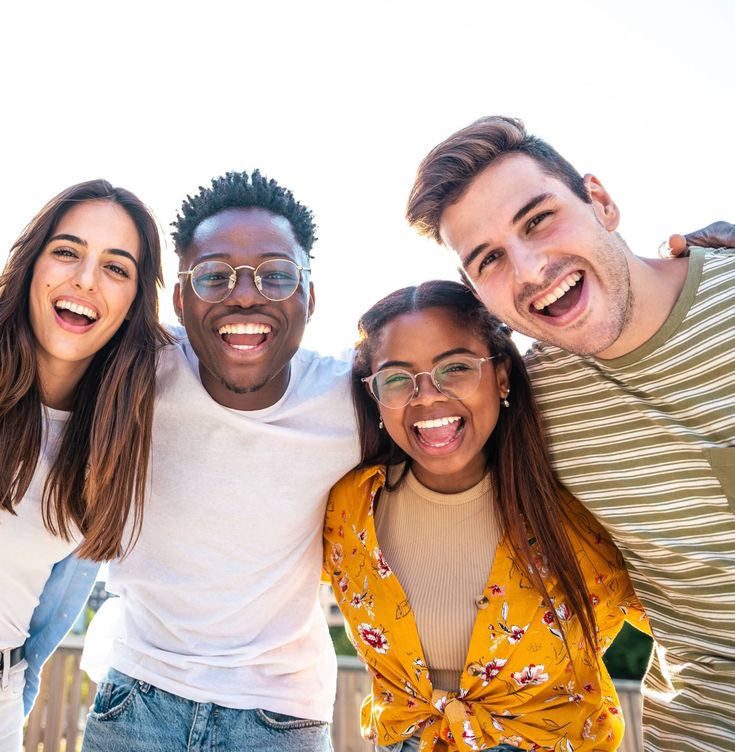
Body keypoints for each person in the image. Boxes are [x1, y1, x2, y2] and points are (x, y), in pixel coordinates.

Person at [405, 116, 735, 752]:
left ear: (602, 202)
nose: (530, 269)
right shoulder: (526, 405)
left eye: (539, 220)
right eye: (491, 259)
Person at [81, 171, 360, 752]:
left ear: (310, 295)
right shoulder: (131, 376)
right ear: (179, 298)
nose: (245, 294)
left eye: (277, 274)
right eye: (214, 276)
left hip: (280, 718)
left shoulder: (354, 402)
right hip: (137, 698)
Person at [324, 280, 649, 752]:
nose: (426, 396)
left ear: (501, 377)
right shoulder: (348, 508)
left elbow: (699, 618)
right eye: (396, 378)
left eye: (454, 368)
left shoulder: (582, 512)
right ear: (374, 396)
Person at [0, 180, 169, 752]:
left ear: (132, 303)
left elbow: (41, 625)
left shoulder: (110, 442)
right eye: (67, 252)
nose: (86, 280)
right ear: (32, 264)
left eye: (116, 268)